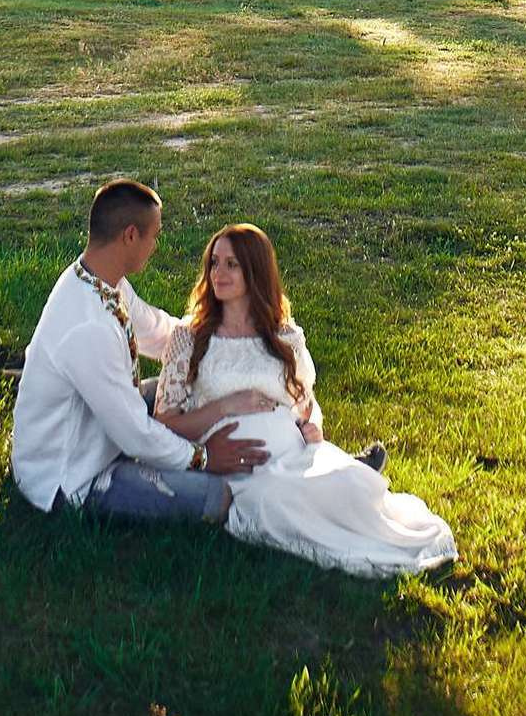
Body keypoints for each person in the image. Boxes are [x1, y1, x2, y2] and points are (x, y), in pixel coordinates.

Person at [153, 222, 456, 579]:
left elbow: (306, 404)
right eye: (214, 263)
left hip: (295, 454)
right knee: (278, 505)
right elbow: (164, 423)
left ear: (256, 270)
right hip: (240, 471)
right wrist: (225, 406)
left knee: (352, 485)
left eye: (232, 264)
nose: (219, 273)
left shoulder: (283, 335)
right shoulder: (189, 337)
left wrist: (315, 429)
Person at [11, 178, 268, 525]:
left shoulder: (102, 282)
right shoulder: (87, 328)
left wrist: (232, 337)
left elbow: (161, 333)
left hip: (107, 431)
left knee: (192, 391)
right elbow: (135, 434)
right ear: (131, 235)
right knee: (215, 496)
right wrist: (204, 458)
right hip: (71, 476)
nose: (156, 245)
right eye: (154, 235)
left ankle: (305, 467)